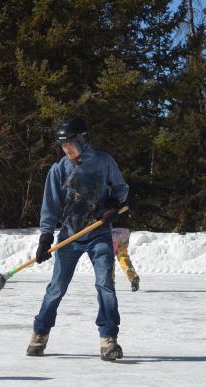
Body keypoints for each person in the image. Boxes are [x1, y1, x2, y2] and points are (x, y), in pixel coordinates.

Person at [26, 117, 129, 361]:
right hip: (70, 236)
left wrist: (113, 204)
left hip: (99, 234)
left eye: (71, 144)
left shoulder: (103, 161)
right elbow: (49, 207)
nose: (67, 149)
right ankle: (40, 332)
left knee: (105, 283)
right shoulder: (59, 169)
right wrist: (45, 238)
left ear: (83, 139)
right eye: (63, 146)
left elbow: (120, 188)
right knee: (57, 287)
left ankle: (108, 338)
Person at [111, 207, 140, 292]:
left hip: (112, 231)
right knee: (123, 256)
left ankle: (109, 281)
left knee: (109, 258)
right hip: (125, 231)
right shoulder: (125, 196)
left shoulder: (109, 197)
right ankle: (132, 276)